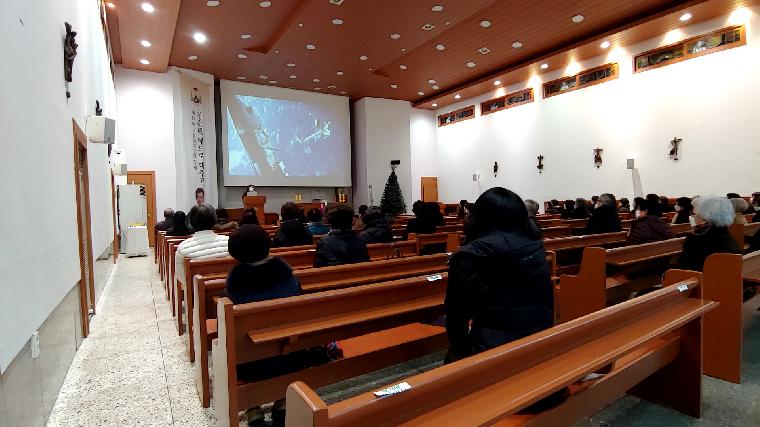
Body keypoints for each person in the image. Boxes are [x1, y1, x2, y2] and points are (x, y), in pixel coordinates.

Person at [225, 225, 335, 427]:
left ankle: (253, 409)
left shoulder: (233, 287)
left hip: (249, 362)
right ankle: (282, 402)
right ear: (268, 245)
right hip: (290, 353)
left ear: (234, 253)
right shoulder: (289, 278)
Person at [445, 187, 553, 363]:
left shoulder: (470, 256)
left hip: (494, 351)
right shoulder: (535, 245)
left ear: (479, 217)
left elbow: (456, 317)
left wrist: (459, 357)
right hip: (539, 340)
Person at [677, 196, 742, 272]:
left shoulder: (696, 238)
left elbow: (684, 267)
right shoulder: (725, 235)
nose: (692, 217)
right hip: (725, 276)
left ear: (705, 219)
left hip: (699, 278)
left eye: (694, 214)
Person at [175, 205, 229, 288]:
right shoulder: (229, 242)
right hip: (226, 290)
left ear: (191, 222)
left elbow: (181, 277)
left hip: (196, 292)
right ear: (214, 220)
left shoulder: (183, 247)